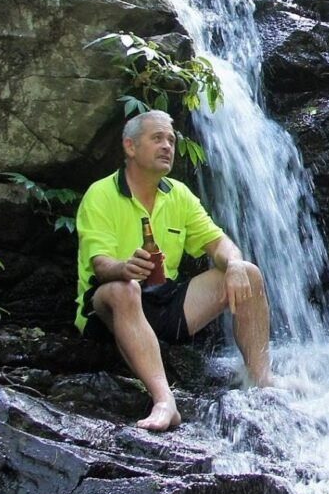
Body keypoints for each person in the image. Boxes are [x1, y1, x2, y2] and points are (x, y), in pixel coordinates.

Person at [75, 109, 271, 431]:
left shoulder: (178, 194)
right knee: (125, 288)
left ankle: (262, 379)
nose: (168, 145)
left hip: (165, 304)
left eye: (171, 139)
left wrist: (233, 263)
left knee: (247, 271)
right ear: (130, 147)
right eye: (157, 138)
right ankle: (165, 401)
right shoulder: (101, 194)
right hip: (109, 312)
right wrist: (124, 267)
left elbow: (219, 242)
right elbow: (100, 266)